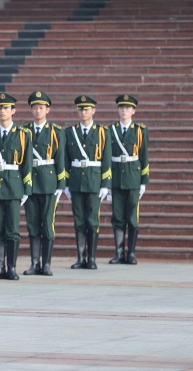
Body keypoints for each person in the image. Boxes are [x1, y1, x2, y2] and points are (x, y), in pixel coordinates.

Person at [0, 93, 32, 281]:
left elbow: (27, 163)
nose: (2, 111)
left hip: (14, 186)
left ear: (13, 110)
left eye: (6, 108)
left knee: (12, 229)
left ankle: (11, 267)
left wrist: (27, 188)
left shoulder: (23, 134)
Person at [64, 95, 112, 270]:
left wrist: (105, 183)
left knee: (92, 220)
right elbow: (66, 159)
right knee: (79, 220)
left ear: (93, 111)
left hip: (94, 180)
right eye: (80, 109)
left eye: (86, 109)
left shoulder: (102, 132)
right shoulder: (70, 132)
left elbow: (106, 159)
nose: (83, 112)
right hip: (76, 180)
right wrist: (66, 184)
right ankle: (80, 257)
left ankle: (91, 258)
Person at [22, 92, 66, 277]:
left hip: (48, 182)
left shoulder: (56, 131)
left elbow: (61, 158)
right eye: (34, 107)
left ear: (48, 109)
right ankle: (34, 263)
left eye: (41, 107)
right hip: (31, 182)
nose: (38, 110)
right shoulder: (24, 131)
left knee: (47, 224)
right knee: (32, 224)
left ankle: (46, 263)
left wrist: (61, 184)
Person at [109, 94, 149, 265]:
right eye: (121, 107)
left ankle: (131, 253)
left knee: (132, 217)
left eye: (127, 108)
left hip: (133, 177)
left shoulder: (140, 130)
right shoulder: (110, 130)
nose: (124, 110)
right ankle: (119, 253)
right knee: (117, 216)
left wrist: (143, 181)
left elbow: (144, 156)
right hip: (116, 176)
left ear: (133, 111)